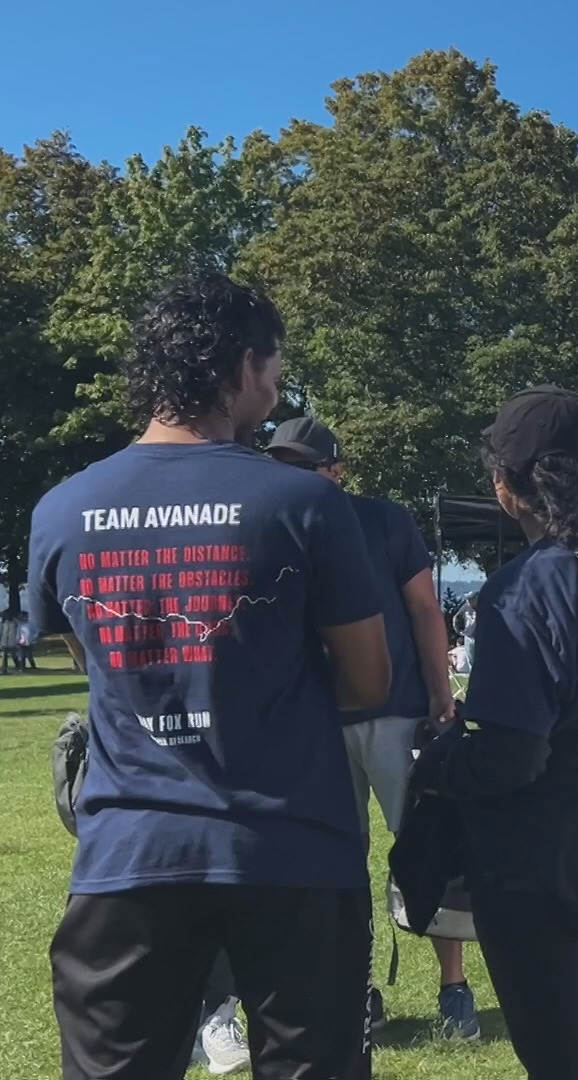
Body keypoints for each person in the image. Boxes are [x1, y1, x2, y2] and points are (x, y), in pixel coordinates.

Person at [26, 272, 390, 1079]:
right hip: (292, 846)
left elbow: (101, 667)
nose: (278, 382)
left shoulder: (59, 510)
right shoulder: (304, 503)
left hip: (131, 848)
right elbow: (368, 681)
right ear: (238, 366)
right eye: (274, 363)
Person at [410, 386, 578, 1080]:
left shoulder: (521, 590)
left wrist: (439, 765)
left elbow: (512, 757)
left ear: (505, 486)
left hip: (544, 853)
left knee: (562, 1056)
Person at [265, 416, 477, 1039]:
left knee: (427, 848)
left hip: (397, 712)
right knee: (336, 861)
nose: (290, 476)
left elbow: (423, 609)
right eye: (281, 464)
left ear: (336, 470)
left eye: (304, 466)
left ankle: (454, 988)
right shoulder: (270, 529)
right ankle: (356, 989)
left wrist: (441, 695)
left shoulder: (385, 520)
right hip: (316, 723)